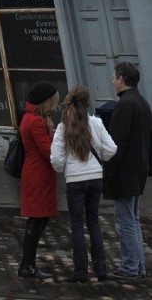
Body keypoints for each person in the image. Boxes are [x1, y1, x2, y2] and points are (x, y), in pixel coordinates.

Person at [52, 83, 118, 282]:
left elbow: (56, 159)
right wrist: (100, 159)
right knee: (94, 223)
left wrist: (65, 169)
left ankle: (81, 272)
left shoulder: (63, 126)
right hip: (96, 178)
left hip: (75, 181)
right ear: (88, 103)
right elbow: (111, 148)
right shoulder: (96, 123)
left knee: (77, 225)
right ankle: (101, 270)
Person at [105, 62, 152, 278]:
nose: (112, 80)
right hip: (138, 170)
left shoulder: (124, 105)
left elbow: (117, 143)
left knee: (124, 222)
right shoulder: (142, 102)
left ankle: (130, 267)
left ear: (122, 79)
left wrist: (108, 172)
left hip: (125, 172)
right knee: (132, 221)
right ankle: (138, 266)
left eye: (114, 77)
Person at [18, 82, 61, 279]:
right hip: (39, 174)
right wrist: (58, 138)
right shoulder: (36, 121)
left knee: (38, 220)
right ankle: (28, 266)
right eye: (54, 100)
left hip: (37, 172)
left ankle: (28, 264)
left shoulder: (31, 118)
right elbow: (47, 151)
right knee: (36, 221)